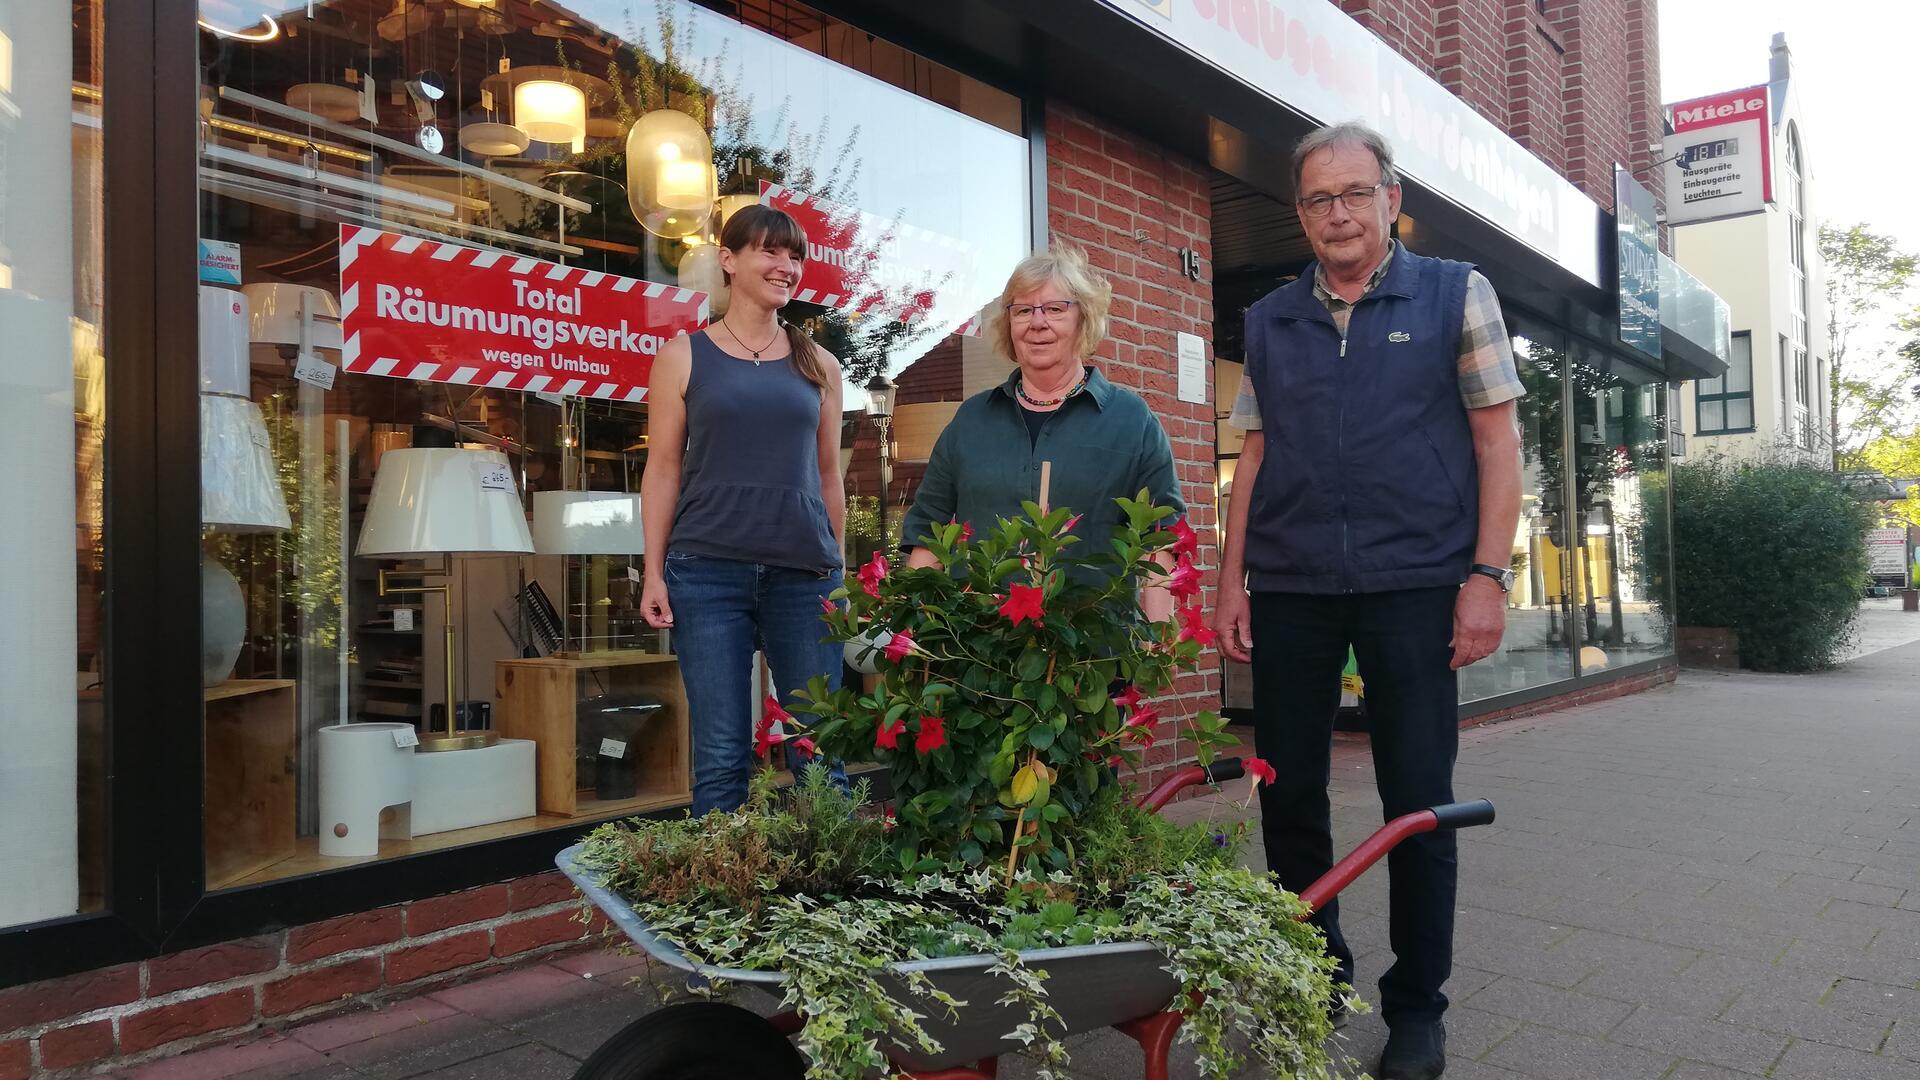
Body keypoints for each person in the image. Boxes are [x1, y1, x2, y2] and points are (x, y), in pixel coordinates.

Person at [1212, 122, 1524, 1080]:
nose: (1338, 213)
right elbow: (1252, 459)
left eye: (1356, 193)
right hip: (1295, 586)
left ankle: (1417, 1008)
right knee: (1289, 796)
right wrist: (1232, 578)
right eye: (1318, 199)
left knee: (1418, 802)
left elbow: (1497, 444)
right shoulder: (1268, 321)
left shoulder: (1454, 295)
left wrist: (1487, 575)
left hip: (1419, 585)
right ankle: (1311, 974)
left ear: (1391, 198)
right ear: (1299, 214)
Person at [639, 204, 848, 815]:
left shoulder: (820, 365)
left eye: (795, 256)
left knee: (819, 747)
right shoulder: (683, 356)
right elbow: (663, 469)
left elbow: (830, 477)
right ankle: (719, 901)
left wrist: (836, 572)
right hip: (706, 574)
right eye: (770, 251)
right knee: (723, 753)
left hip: (803, 577)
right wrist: (653, 571)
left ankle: (831, 899)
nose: (786, 267)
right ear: (728, 260)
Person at [899, 246, 1183, 618]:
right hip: (981, 655)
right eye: (1022, 310)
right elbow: (928, 532)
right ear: (1009, 323)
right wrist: (910, 629)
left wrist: (1159, 640)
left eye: (1054, 309)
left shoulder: (1131, 422)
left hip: (1092, 658)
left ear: (1084, 318)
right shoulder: (971, 421)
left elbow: (1159, 540)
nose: (1037, 322)